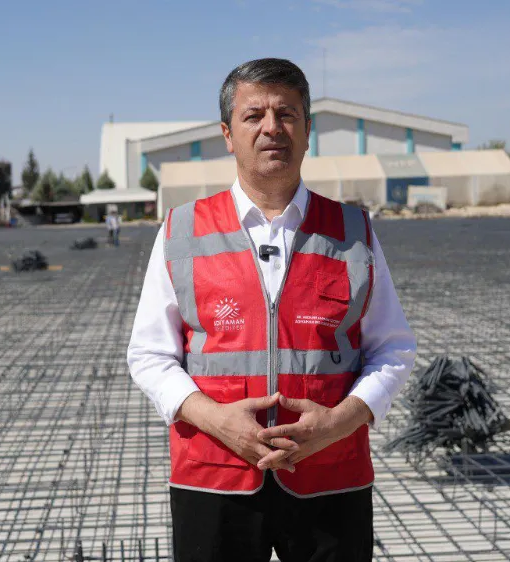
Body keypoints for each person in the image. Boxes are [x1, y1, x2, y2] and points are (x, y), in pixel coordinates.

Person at [127, 58, 417, 562]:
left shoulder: (353, 232)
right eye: (253, 115)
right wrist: (218, 421)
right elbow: (149, 355)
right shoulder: (181, 231)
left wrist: (337, 423)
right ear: (227, 134)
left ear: (308, 131)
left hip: (330, 478)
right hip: (215, 477)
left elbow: (393, 350)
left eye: (286, 114)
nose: (271, 127)